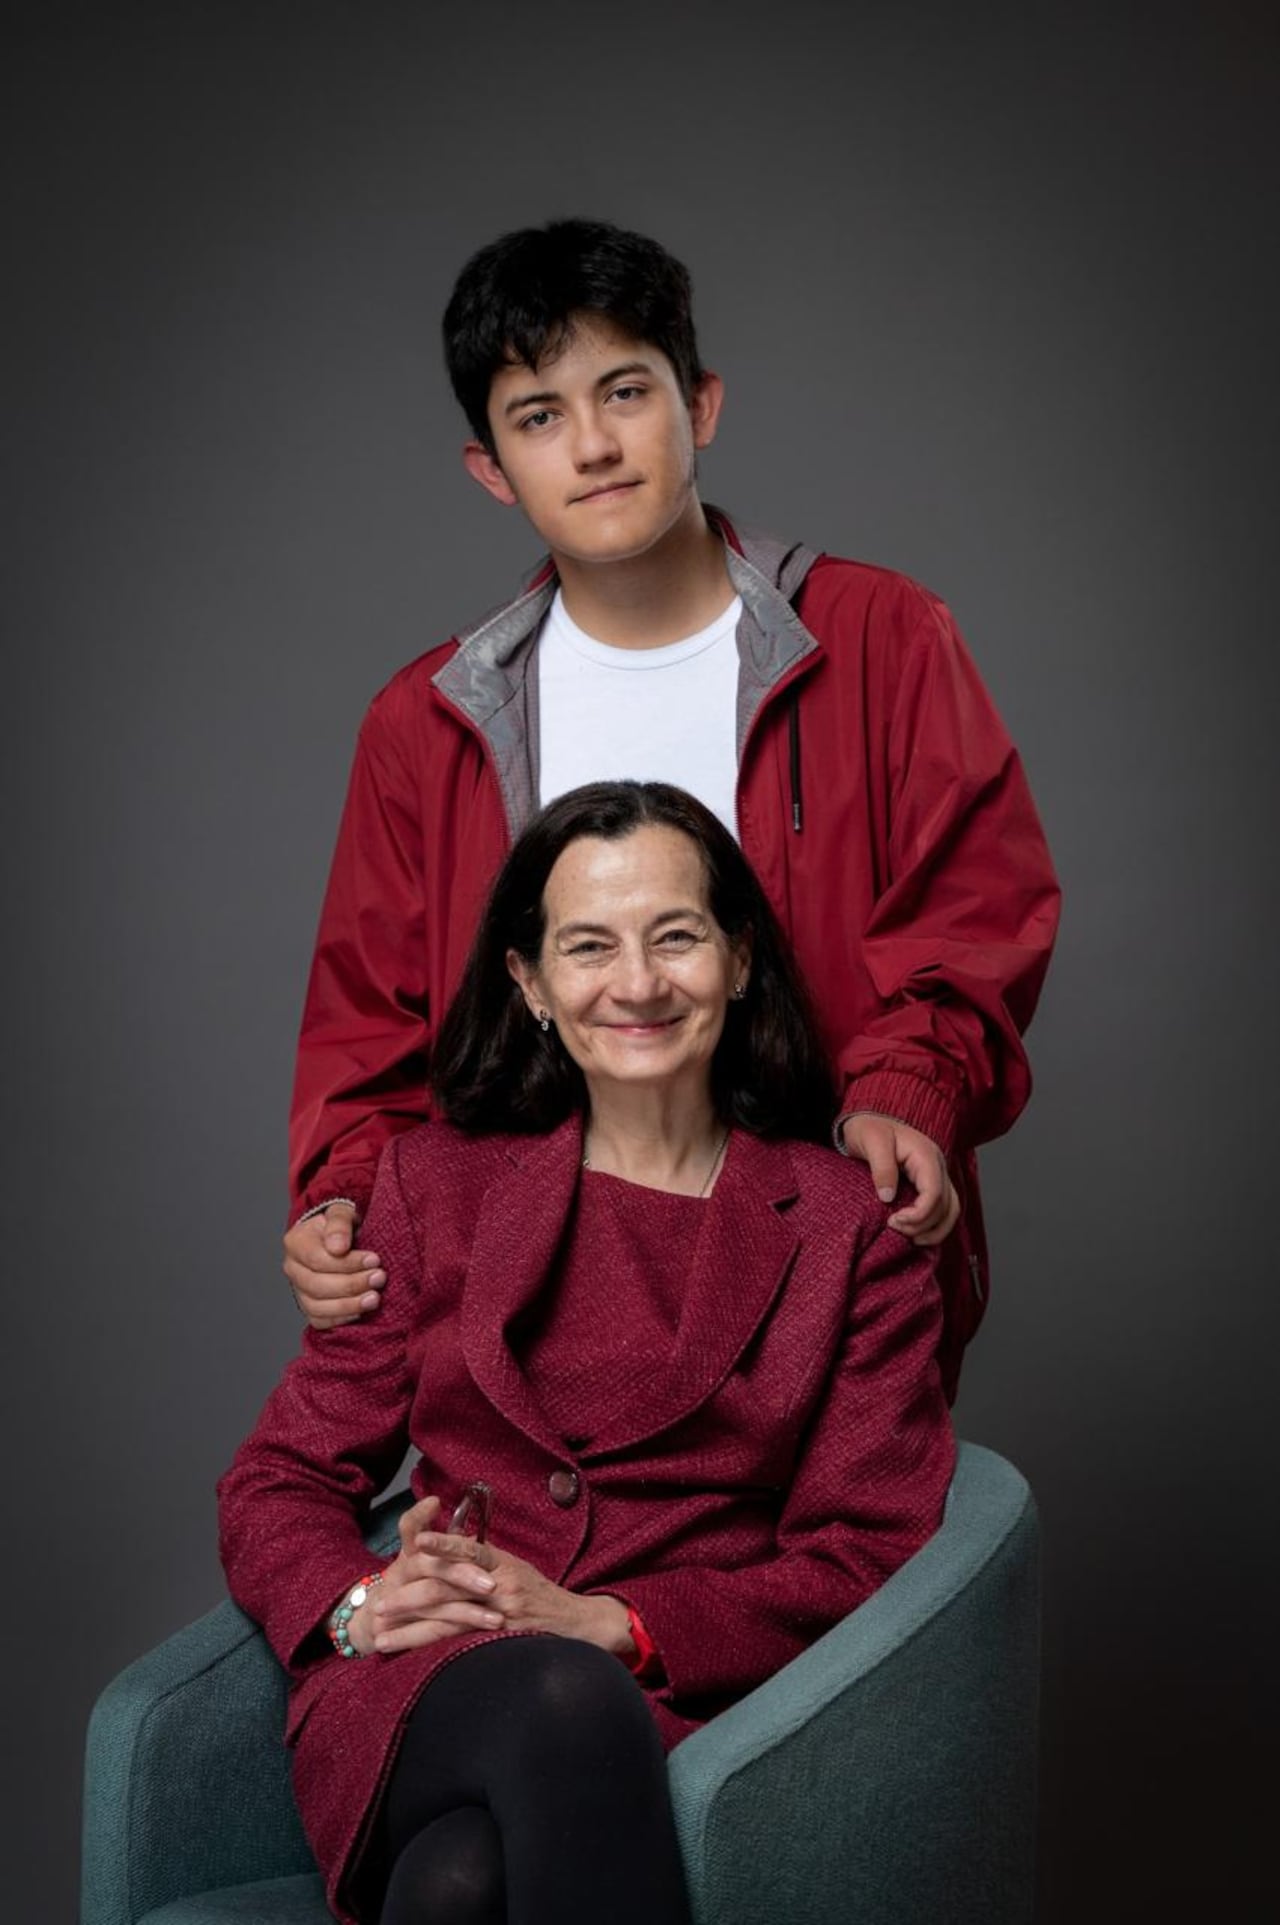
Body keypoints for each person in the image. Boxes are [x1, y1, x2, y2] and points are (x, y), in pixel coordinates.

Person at [282, 218, 1060, 1397]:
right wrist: (345, 1193)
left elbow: (975, 908)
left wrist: (909, 1090)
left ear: (698, 405)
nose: (591, 445)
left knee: (826, 1573)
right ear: (490, 467)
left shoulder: (877, 638)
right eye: (538, 415)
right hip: (536, 1314)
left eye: (625, 391)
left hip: (832, 1282)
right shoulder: (426, 721)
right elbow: (366, 1024)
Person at [222, 781, 955, 1925]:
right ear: (529, 982)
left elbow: (867, 1550)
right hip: (428, 1686)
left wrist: (621, 1621)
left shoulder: (843, 1226)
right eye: (587, 945)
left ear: (741, 956)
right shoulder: (429, 1185)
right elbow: (276, 1478)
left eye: (676, 936)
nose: (638, 983)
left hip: (690, 1702)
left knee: (457, 1885)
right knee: (553, 1708)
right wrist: (359, 1603)